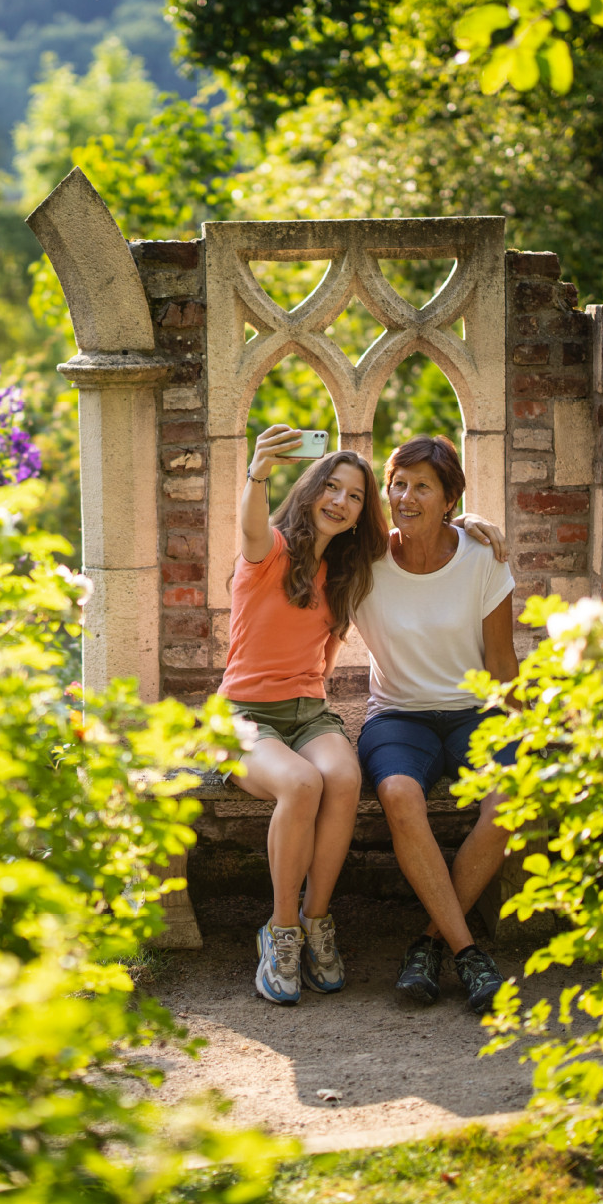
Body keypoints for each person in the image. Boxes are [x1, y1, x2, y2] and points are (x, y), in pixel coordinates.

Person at [351, 435, 520, 1014]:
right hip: (398, 715)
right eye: (398, 483)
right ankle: (470, 953)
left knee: (512, 796)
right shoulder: (363, 559)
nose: (405, 496)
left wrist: (531, 732)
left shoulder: (482, 559)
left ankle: (427, 942)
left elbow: (502, 665)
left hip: (477, 713)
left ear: (451, 498)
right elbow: (297, 535)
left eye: (423, 486)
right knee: (399, 793)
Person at [222, 425, 388, 1005]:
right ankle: (281, 929)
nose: (340, 502)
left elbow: (420, 538)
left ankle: (317, 921)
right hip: (245, 716)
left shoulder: (343, 574)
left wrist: (469, 525)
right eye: (332, 488)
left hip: (308, 713)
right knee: (301, 781)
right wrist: (257, 472)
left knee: (343, 776)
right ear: (312, 488)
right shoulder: (269, 550)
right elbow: (248, 525)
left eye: (355, 496)